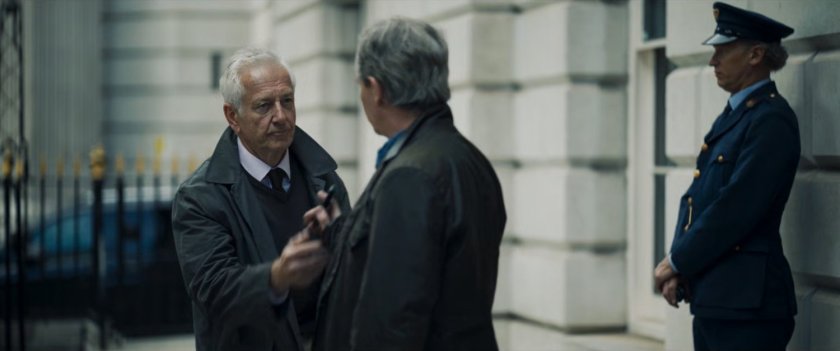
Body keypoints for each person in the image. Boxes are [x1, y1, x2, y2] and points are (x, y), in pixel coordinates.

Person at [312, 17, 507, 351]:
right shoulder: (468, 159)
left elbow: (392, 324)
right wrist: (340, 231)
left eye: (360, 85)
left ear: (376, 89)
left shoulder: (410, 175)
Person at [172, 47, 350, 351]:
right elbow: (214, 291)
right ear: (233, 116)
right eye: (264, 106)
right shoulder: (200, 197)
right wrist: (277, 277)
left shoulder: (324, 178)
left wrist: (340, 236)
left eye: (287, 101)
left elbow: (354, 275)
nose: (280, 116)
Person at [654, 2, 799, 350]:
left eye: (722, 51)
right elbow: (698, 198)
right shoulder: (735, 115)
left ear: (755, 55)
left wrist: (676, 261)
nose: (712, 61)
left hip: (749, 307)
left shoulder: (770, 119)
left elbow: (734, 208)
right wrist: (682, 267)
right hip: (719, 299)